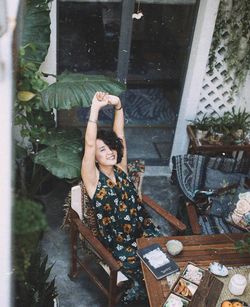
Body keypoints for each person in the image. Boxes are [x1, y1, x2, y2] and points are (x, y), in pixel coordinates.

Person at [81, 92, 160, 304]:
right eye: (102, 150)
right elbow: (89, 144)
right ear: (94, 157)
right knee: (149, 274)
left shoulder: (121, 169)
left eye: (111, 147)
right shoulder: (92, 179)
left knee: (164, 263)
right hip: (119, 245)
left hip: (142, 230)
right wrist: (96, 108)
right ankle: (141, 293)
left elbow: (120, 134)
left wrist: (118, 106)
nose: (110, 152)